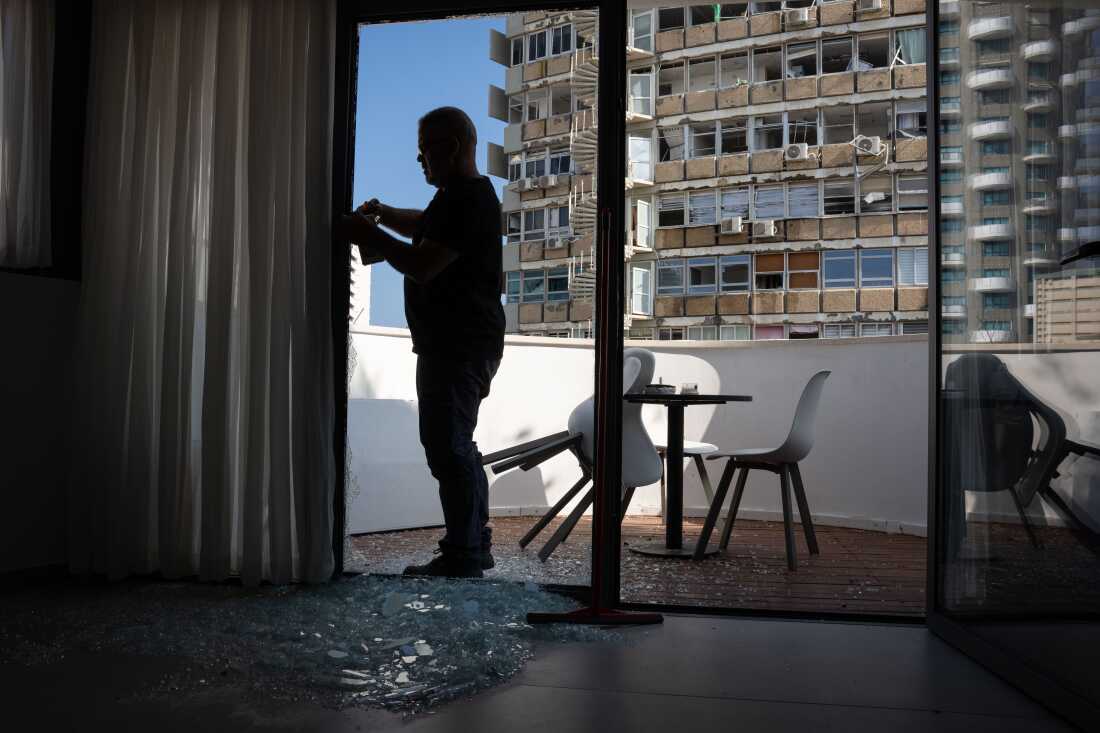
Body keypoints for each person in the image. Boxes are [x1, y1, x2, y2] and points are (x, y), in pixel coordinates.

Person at [339, 107, 505, 579]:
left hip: (457, 344)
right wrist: (388, 216)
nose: (420, 161)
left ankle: (465, 553)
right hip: (459, 342)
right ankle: (472, 543)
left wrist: (367, 234)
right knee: (455, 445)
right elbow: (426, 227)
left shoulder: (467, 199)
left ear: (450, 148)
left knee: (446, 446)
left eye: (424, 152)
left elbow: (423, 264)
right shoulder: (462, 197)